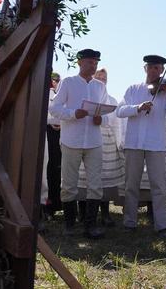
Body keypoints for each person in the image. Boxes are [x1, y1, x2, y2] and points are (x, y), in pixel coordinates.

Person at [116, 55, 166, 237]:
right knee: (131, 184)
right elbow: (120, 111)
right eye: (151, 67)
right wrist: (137, 107)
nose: (154, 71)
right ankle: (129, 222)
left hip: (156, 144)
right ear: (145, 68)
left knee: (159, 186)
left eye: (158, 68)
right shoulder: (133, 89)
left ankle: (162, 226)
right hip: (134, 142)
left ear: (162, 70)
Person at [49, 49, 107, 239]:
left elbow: (106, 113)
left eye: (96, 63)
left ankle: (90, 225)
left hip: (93, 141)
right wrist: (74, 114)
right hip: (71, 140)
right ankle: (69, 224)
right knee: (68, 183)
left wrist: (101, 120)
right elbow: (54, 109)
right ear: (80, 62)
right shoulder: (68, 82)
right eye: (91, 62)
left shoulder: (100, 86)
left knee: (95, 184)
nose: (94, 65)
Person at [76, 68, 124, 227]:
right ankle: (83, 213)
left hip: (107, 141)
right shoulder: (85, 95)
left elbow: (116, 123)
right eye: (99, 78)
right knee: (84, 177)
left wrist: (119, 143)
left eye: (104, 78)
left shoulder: (111, 99)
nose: (102, 81)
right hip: (86, 138)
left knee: (105, 177)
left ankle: (104, 213)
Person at [45, 72, 62, 217]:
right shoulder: (45, 93)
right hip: (45, 133)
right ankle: (46, 205)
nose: (55, 82)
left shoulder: (61, 94)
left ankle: (55, 204)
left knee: (57, 169)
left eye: (57, 80)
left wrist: (61, 124)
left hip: (59, 135)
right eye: (53, 80)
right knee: (46, 168)